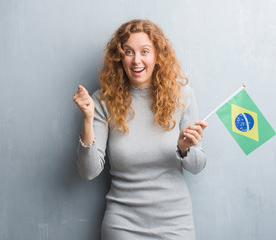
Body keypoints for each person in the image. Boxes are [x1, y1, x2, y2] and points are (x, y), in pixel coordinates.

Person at [72, 19, 207, 240]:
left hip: (176, 223)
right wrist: (87, 119)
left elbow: (198, 165)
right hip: (123, 225)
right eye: (129, 52)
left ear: (157, 56)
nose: (137, 60)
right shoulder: (103, 101)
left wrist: (185, 149)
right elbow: (89, 171)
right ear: (119, 58)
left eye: (145, 51)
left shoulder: (182, 95)